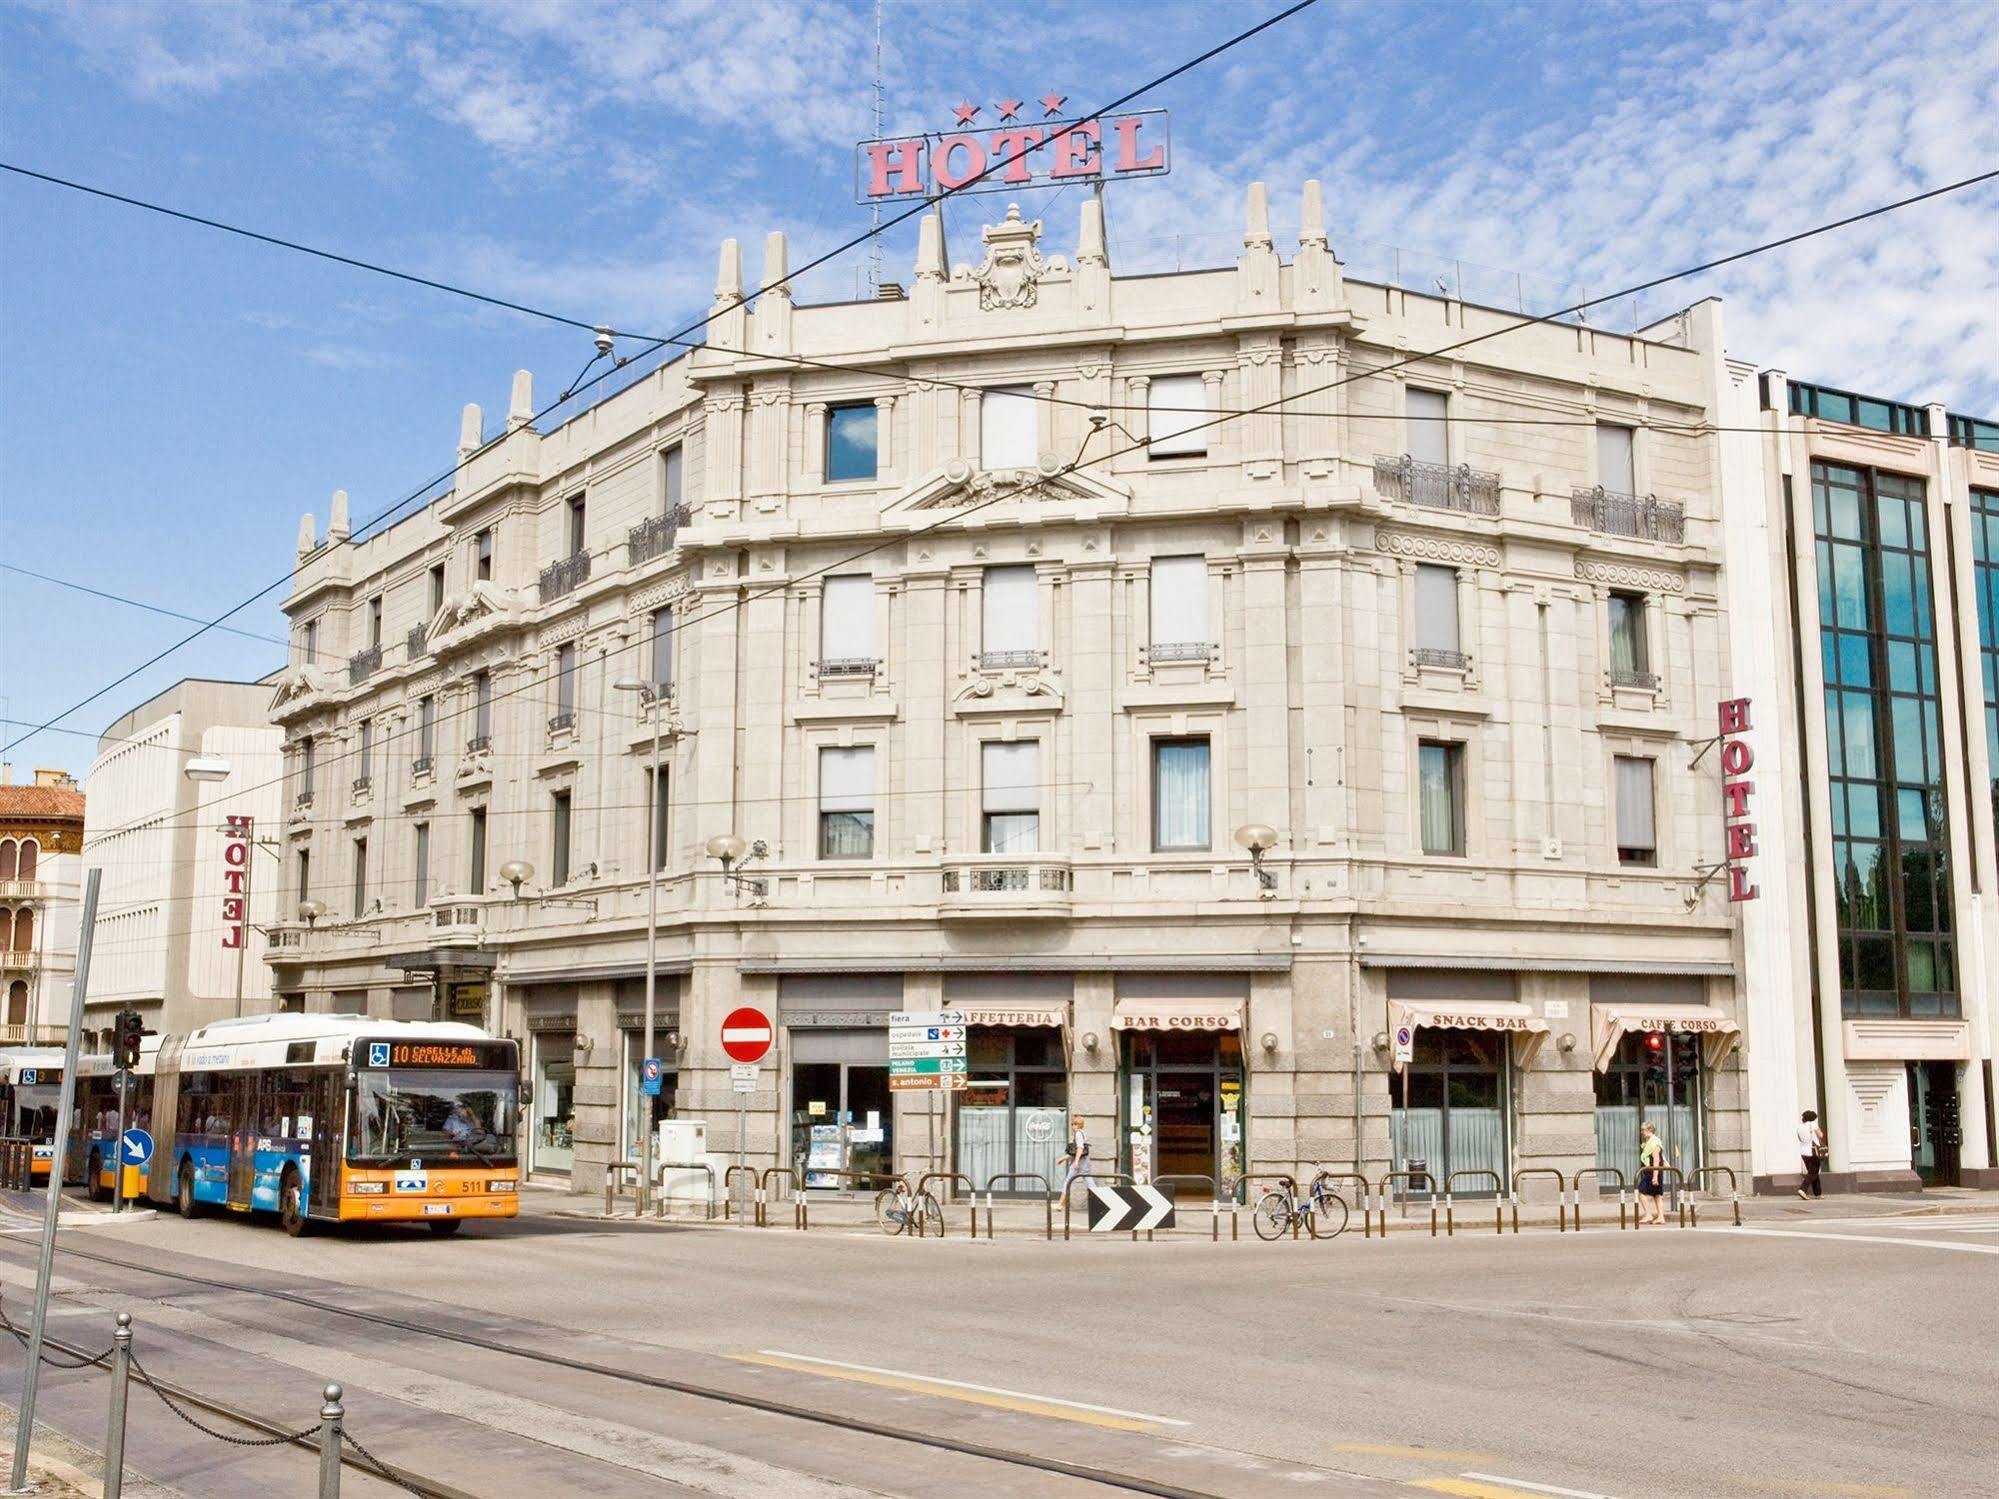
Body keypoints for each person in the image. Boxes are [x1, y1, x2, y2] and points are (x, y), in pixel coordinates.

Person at [1636, 1120, 1666, 1224]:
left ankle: (1648, 1214)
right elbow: (1661, 1157)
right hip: (1655, 1171)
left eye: (1643, 1130)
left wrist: (1654, 1176)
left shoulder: (1654, 1143)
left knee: (1641, 1192)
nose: (1641, 1132)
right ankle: (1661, 1217)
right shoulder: (1653, 1141)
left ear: (1649, 1130)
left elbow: (1656, 1159)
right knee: (1656, 1195)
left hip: (1652, 1171)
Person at [1058, 1114, 1091, 1202]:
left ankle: (1060, 1204)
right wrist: (1063, 1158)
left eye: (1075, 1124)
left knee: (1067, 1181)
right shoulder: (1082, 1133)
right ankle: (1104, 1201)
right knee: (1090, 1184)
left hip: (1079, 1163)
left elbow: (1080, 1148)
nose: (1073, 1126)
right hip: (1085, 1163)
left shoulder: (1078, 1134)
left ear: (1079, 1125)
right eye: (1072, 1124)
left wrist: (1076, 1162)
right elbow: (1075, 1151)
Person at [1798, 1110, 1826, 1199]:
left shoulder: (1800, 1127)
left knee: (1813, 1172)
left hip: (1803, 1152)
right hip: (1813, 1151)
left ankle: (1818, 1193)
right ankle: (1802, 1189)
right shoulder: (1813, 1124)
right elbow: (1820, 1135)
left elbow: (1800, 1139)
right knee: (1813, 1172)